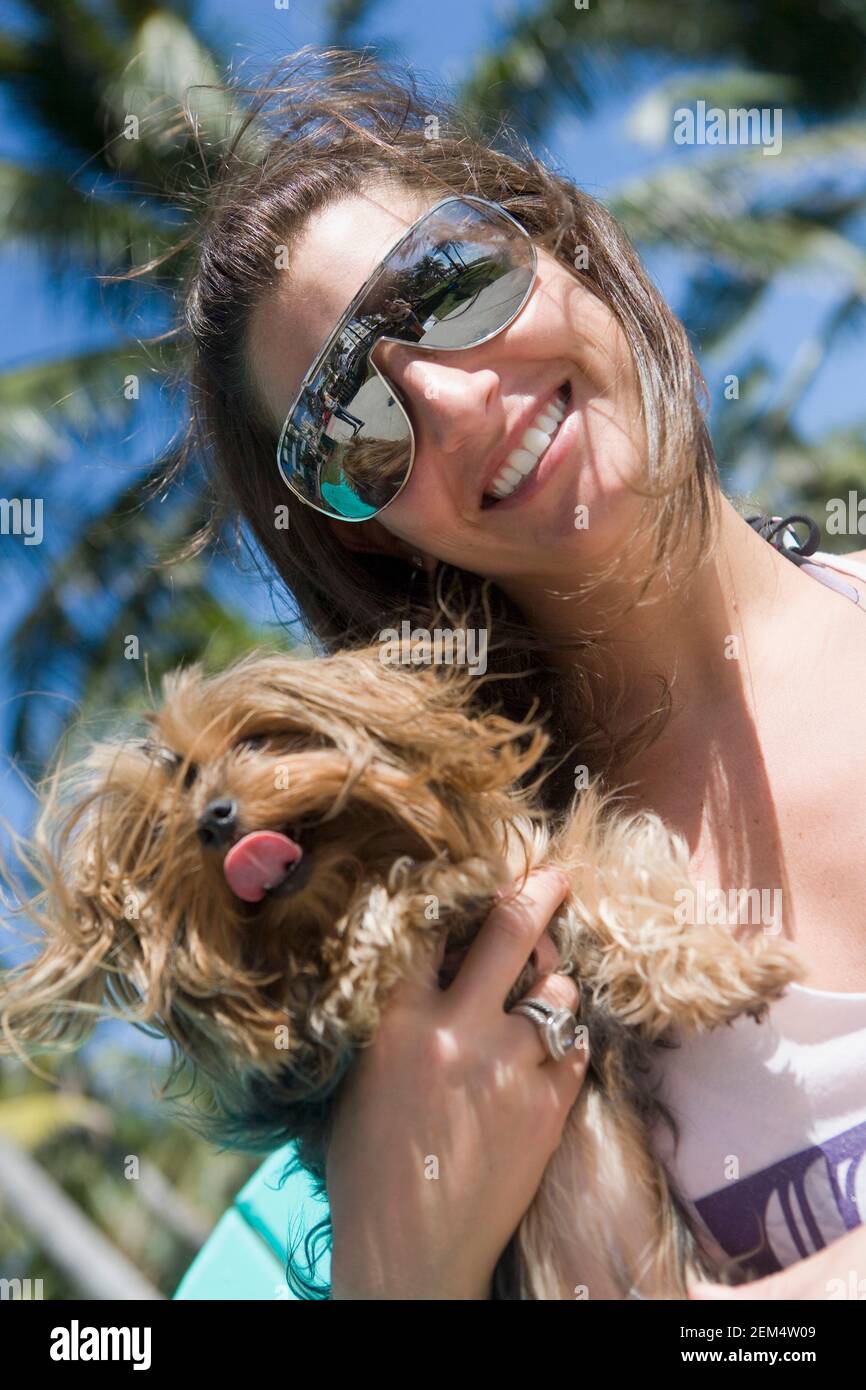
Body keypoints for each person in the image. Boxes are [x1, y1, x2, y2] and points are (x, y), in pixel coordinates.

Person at [166, 50, 866, 1298]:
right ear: (366, 536)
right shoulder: (456, 990)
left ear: (566, 244)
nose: (443, 396)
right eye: (352, 430)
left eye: (443, 288)